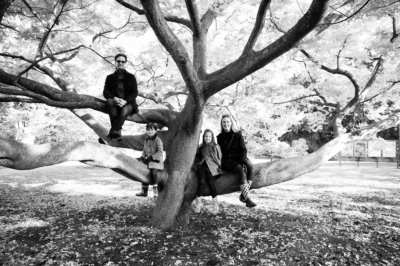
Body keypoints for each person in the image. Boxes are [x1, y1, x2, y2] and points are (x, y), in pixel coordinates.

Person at [216, 114, 256, 208]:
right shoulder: (219, 137)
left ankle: (243, 194)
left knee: (250, 166)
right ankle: (248, 199)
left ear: (231, 123)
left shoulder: (237, 134)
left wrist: (242, 161)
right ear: (222, 124)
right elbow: (221, 153)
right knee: (240, 170)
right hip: (227, 160)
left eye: (227, 122)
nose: (226, 124)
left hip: (239, 157)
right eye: (224, 122)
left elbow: (243, 149)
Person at [99, 53, 139, 144]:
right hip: (114, 102)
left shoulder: (131, 77)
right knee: (109, 101)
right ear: (115, 62)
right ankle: (117, 131)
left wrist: (125, 101)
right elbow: (106, 93)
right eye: (118, 61)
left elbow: (134, 93)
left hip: (128, 103)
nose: (120, 63)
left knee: (124, 111)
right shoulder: (109, 77)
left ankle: (109, 137)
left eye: (122, 61)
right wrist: (115, 98)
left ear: (126, 63)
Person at [193, 129, 223, 214]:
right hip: (202, 167)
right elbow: (198, 157)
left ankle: (215, 204)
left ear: (212, 137)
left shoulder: (215, 146)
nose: (208, 138)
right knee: (202, 182)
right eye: (206, 136)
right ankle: (198, 203)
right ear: (204, 137)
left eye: (209, 136)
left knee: (210, 182)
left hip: (212, 167)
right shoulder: (201, 147)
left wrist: (219, 167)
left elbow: (219, 158)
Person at [136, 123, 164, 200]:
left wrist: (151, 158)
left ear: (155, 130)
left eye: (152, 130)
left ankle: (155, 192)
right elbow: (144, 150)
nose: (150, 131)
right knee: (143, 171)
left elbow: (160, 152)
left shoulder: (158, 140)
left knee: (153, 173)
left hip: (156, 162)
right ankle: (144, 191)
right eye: (148, 130)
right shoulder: (146, 140)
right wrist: (142, 157)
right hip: (148, 161)